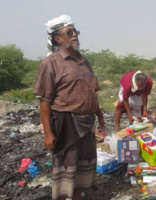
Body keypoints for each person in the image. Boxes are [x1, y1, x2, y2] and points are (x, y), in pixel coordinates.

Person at [34, 15, 105, 200]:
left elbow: (91, 92)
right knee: (68, 167)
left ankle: (77, 195)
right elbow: (45, 101)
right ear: (57, 39)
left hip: (87, 123)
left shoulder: (84, 61)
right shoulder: (50, 63)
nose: (75, 35)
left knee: (83, 166)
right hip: (67, 125)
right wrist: (48, 133)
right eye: (69, 32)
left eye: (76, 31)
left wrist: (100, 117)